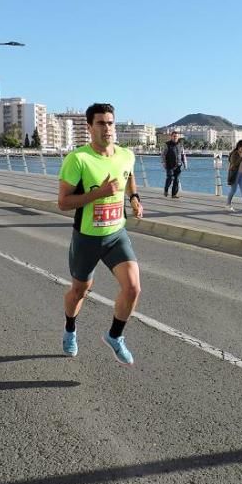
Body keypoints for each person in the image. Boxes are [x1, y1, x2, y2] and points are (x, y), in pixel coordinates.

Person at [57, 103, 143, 364]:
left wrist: (135, 198)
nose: (107, 128)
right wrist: (99, 193)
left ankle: (115, 336)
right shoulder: (78, 159)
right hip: (87, 238)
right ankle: (70, 328)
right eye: (101, 123)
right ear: (89, 127)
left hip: (116, 234)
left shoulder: (126, 155)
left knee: (133, 288)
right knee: (80, 291)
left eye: (110, 123)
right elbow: (63, 202)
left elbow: (128, 177)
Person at [161, 130, 187, 198]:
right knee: (170, 178)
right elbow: (163, 154)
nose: (175, 137)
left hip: (178, 165)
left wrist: (185, 163)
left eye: (176, 136)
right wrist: (163, 163)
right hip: (169, 165)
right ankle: (166, 190)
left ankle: (174, 194)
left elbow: (183, 154)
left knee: (176, 180)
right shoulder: (167, 144)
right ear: (171, 137)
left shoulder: (180, 145)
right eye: (174, 136)